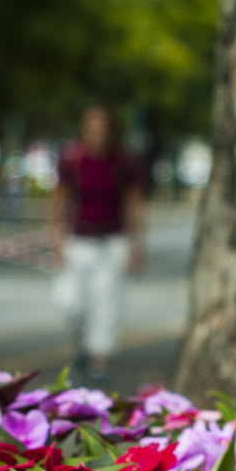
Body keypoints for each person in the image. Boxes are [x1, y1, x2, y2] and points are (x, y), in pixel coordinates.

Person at [49, 105, 146, 380]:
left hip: (112, 241)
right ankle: (82, 341)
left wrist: (137, 246)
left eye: (101, 129)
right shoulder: (72, 160)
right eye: (91, 129)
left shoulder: (124, 162)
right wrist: (55, 239)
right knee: (70, 302)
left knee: (106, 302)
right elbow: (57, 200)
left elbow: (133, 204)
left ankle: (98, 357)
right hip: (79, 240)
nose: (96, 135)